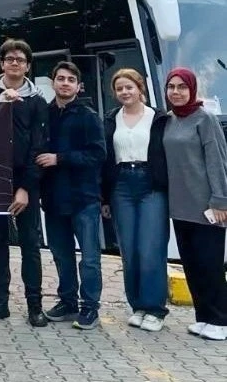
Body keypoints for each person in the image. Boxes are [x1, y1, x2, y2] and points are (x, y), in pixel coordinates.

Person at [0, 39, 49, 327]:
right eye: (9, 59)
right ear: (1, 63)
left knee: (30, 244)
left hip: (24, 181)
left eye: (20, 59)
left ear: (28, 66)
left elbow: (38, 147)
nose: (14, 63)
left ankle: (34, 306)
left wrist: (25, 188)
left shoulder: (37, 101)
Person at [37, 61, 106, 330]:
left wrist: (60, 158)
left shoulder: (88, 116)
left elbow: (98, 154)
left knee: (89, 258)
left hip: (83, 198)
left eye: (70, 80)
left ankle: (90, 307)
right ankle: (67, 302)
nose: (65, 83)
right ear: (53, 82)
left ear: (79, 86)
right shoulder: (45, 114)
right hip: (53, 198)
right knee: (61, 254)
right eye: (61, 78)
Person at [101, 69, 169, 332]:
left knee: (151, 248)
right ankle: (138, 306)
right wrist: (104, 197)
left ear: (140, 88)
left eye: (129, 87)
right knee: (129, 249)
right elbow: (106, 159)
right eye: (119, 88)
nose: (124, 92)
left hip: (150, 184)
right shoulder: (111, 119)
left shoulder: (158, 118)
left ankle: (155, 309)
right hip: (121, 186)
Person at [162, 68, 227, 341]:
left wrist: (220, 200)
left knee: (210, 265)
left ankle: (220, 321)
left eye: (182, 87)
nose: (176, 92)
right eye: (171, 87)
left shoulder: (205, 119)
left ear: (192, 89)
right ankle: (204, 317)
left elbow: (217, 160)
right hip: (180, 207)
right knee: (192, 265)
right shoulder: (169, 120)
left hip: (207, 207)